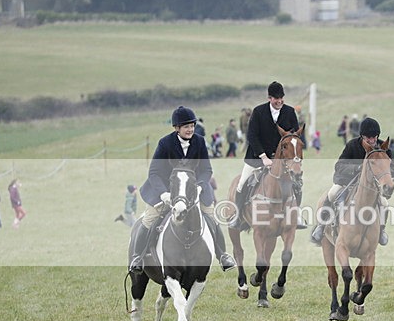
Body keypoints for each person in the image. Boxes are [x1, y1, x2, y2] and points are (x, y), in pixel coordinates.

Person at [128, 105, 235, 274]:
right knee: (149, 219)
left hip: (194, 190)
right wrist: (163, 193)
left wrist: (200, 187)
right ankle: (138, 257)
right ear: (177, 128)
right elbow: (154, 172)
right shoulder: (165, 143)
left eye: (192, 126)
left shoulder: (199, 141)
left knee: (212, 218)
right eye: (186, 126)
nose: (190, 129)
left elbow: (207, 170)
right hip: (166, 191)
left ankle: (222, 255)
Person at [311, 117, 394, 246]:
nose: (372, 141)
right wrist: (358, 168)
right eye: (368, 138)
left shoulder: (383, 147)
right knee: (332, 194)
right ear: (362, 136)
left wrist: (383, 171)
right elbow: (339, 166)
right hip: (347, 182)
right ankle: (322, 225)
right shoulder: (352, 145)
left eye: (374, 137)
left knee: (384, 203)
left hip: (371, 186)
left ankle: (381, 230)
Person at [229, 81, 306, 230]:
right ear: (269, 98)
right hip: (256, 157)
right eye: (276, 98)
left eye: (281, 98)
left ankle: (297, 215)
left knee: (296, 184)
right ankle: (238, 217)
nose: (279, 101)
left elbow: (295, 136)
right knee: (242, 183)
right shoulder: (258, 112)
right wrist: (263, 157)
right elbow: (252, 136)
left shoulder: (290, 112)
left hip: (282, 160)